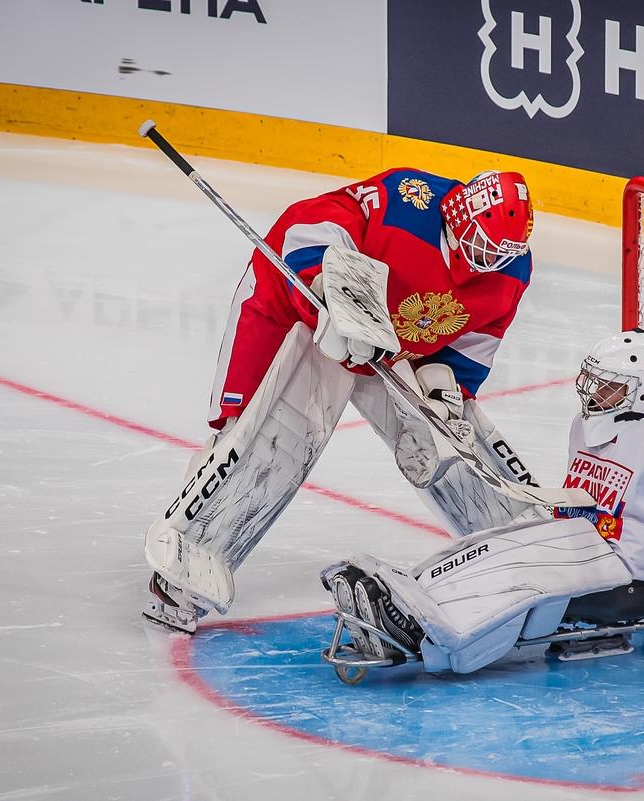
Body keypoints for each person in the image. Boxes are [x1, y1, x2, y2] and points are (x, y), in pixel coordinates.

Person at [144, 168, 542, 633]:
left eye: (499, 253)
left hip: (389, 344)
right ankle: (183, 572)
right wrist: (324, 294)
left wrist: (446, 391)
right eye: (481, 245)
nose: (485, 261)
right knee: (262, 437)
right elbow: (304, 227)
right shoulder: (406, 203)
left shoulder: (510, 272)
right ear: (456, 217)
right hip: (292, 311)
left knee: (446, 440)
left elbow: (474, 343)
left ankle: (522, 557)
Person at [327, 329, 644, 680]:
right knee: (498, 544)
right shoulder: (589, 423)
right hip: (587, 544)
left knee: (520, 572)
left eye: (608, 387)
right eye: (593, 383)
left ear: (640, 391)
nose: (593, 394)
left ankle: (423, 632)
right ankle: (411, 592)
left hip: (632, 579)